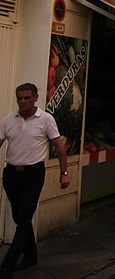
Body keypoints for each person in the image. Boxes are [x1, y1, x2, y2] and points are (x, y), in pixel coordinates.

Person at [0, 83, 70, 278]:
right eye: (20, 98)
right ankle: (31, 255)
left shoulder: (46, 119)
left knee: (23, 219)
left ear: (36, 98)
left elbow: (59, 146)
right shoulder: (9, 119)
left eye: (27, 98)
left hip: (33, 174)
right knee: (19, 217)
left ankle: (7, 265)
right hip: (12, 174)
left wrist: (64, 173)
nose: (23, 102)